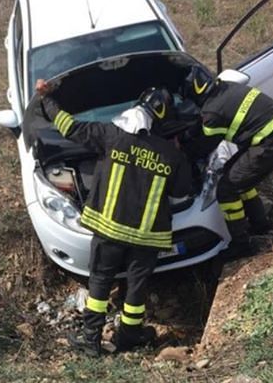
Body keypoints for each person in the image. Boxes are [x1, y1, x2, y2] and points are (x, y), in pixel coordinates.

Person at [35, 79, 192, 356]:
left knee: (100, 282)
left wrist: (47, 99)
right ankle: (130, 336)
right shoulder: (172, 155)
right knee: (137, 289)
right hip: (147, 237)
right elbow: (182, 192)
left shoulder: (111, 135)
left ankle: (91, 340)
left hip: (109, 230)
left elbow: (68, 126)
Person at [180, 66, 273, 249]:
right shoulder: (227, 87)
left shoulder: (212, 114)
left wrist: (184, 149)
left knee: (226, 189)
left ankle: (241, 243)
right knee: (236, 177)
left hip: (270, 145)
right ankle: (261, 225)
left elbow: (203, 146)